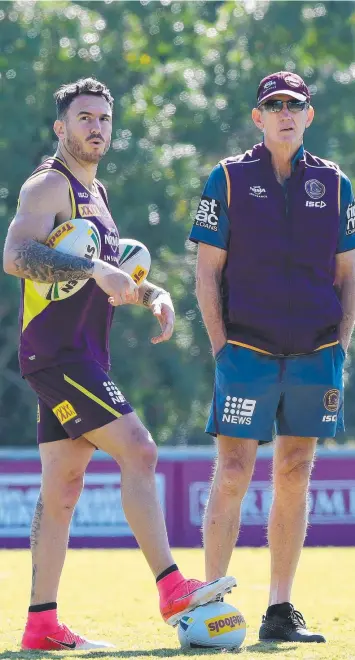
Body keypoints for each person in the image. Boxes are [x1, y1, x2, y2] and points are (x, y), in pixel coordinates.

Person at [3, 77, 236, 651]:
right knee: (140, 447)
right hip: (56, 354)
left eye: (104, 118)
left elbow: (103, 268)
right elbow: (16, 256)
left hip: (81, 352)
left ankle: (41, 625)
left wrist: (149, 290)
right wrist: (93, 271)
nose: (96, 127)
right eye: (84, 118)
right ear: (61, 128)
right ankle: (171, 587)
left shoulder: (99, 195)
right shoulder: (46, 185)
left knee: (62, 486)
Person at [189, 71, 355, 643]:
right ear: (258, 117)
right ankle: (209, 605)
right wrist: (219, 345)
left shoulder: (336, 184)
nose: (285, 112)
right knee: (234, 471)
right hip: (244, 349)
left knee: (294, 471)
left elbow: (347, 275)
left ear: (309, 116)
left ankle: (280, 611)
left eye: (295, 104)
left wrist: (340, 344)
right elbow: (207, 272)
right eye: (274, 104)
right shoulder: (229, 178)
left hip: (315, 353)